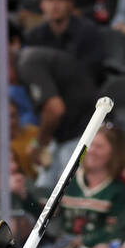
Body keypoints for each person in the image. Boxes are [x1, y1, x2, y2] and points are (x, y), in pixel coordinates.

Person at [42, 125, 125, 248]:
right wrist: (23, 196)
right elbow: (46, 219)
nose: (92, 150)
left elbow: (119, 228)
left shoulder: (120, 188)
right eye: (90, 144)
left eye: (99, 146)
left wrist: (85, 241)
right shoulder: (68, 181)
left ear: (114, 152)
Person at [15, 44, 98, 189]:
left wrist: (38, 144)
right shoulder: (31, 57)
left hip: (81, 134)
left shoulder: (27, 64)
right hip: (65, 135)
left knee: (65, 190)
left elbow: (55, 109)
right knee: (43, 187)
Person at [24, 0, 107, 81]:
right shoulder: (34, 35)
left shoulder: (88, 32)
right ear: (41, 4)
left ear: (71, 3)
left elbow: (93, 70)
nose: (54, 5)